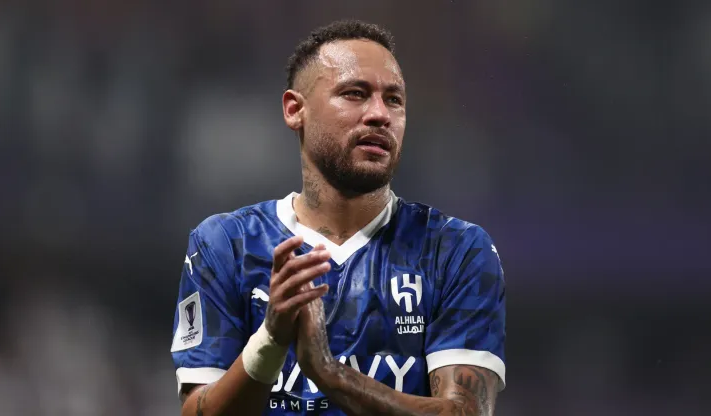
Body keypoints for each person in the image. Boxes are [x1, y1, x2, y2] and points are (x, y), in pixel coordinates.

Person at [171, 19, 507, 416]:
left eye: (394, 100)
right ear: (296, 110)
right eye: (355, 94)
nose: (380, 114)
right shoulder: (225, 245)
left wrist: (329, 373)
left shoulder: (455, 251)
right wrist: (270, 340)